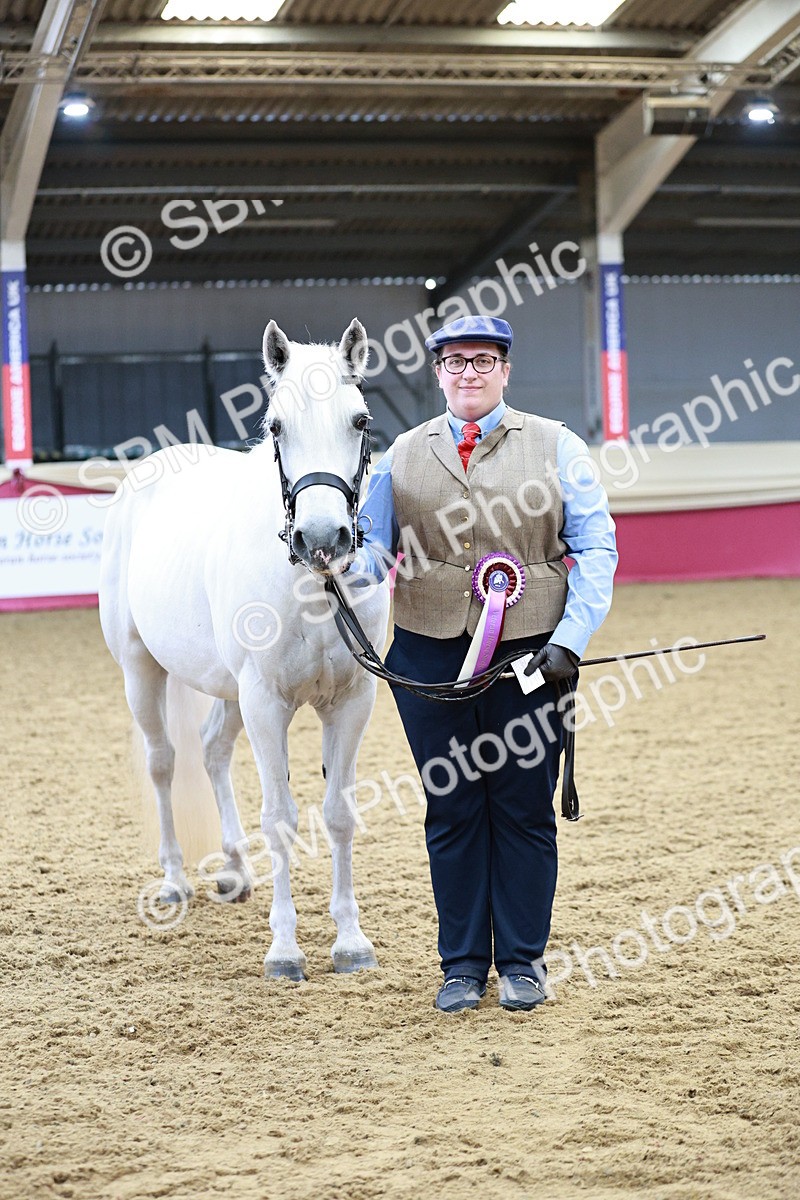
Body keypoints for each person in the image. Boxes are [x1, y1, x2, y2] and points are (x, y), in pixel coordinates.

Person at [346, 314, 617, 1013]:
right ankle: (462, 964)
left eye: (484, 360)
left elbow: (596, 545)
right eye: (456, 361)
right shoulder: (400, 453)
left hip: (534, 652)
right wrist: (342, 565)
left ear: (505, 369)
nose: (469, 372)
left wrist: (572, 640)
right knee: (454, 804)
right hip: (428, 652)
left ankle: (523, 961)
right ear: (438, 372)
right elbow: (373, 550)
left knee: (523, 806)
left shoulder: (558, 445)